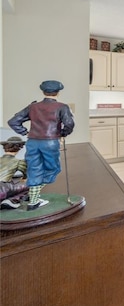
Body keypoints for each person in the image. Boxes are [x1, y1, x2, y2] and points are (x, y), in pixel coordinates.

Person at [8, 80, 75, 210]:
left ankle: (33, 198)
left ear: (43, 92)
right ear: (58, 93)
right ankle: (34, 197)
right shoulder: (62, 107)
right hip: (50, 142)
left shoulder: (32, 107)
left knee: (34, 169)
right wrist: (62, 133)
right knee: (53, 169)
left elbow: (13, 121)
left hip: (32, 141)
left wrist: (25, 132)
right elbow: (69, 124)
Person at [0, 136, 29, 209]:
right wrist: (24, 178)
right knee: (29, 185)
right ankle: (12, 200)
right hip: (3, 189)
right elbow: (26, 175)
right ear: (19, 148)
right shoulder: (18, 162)